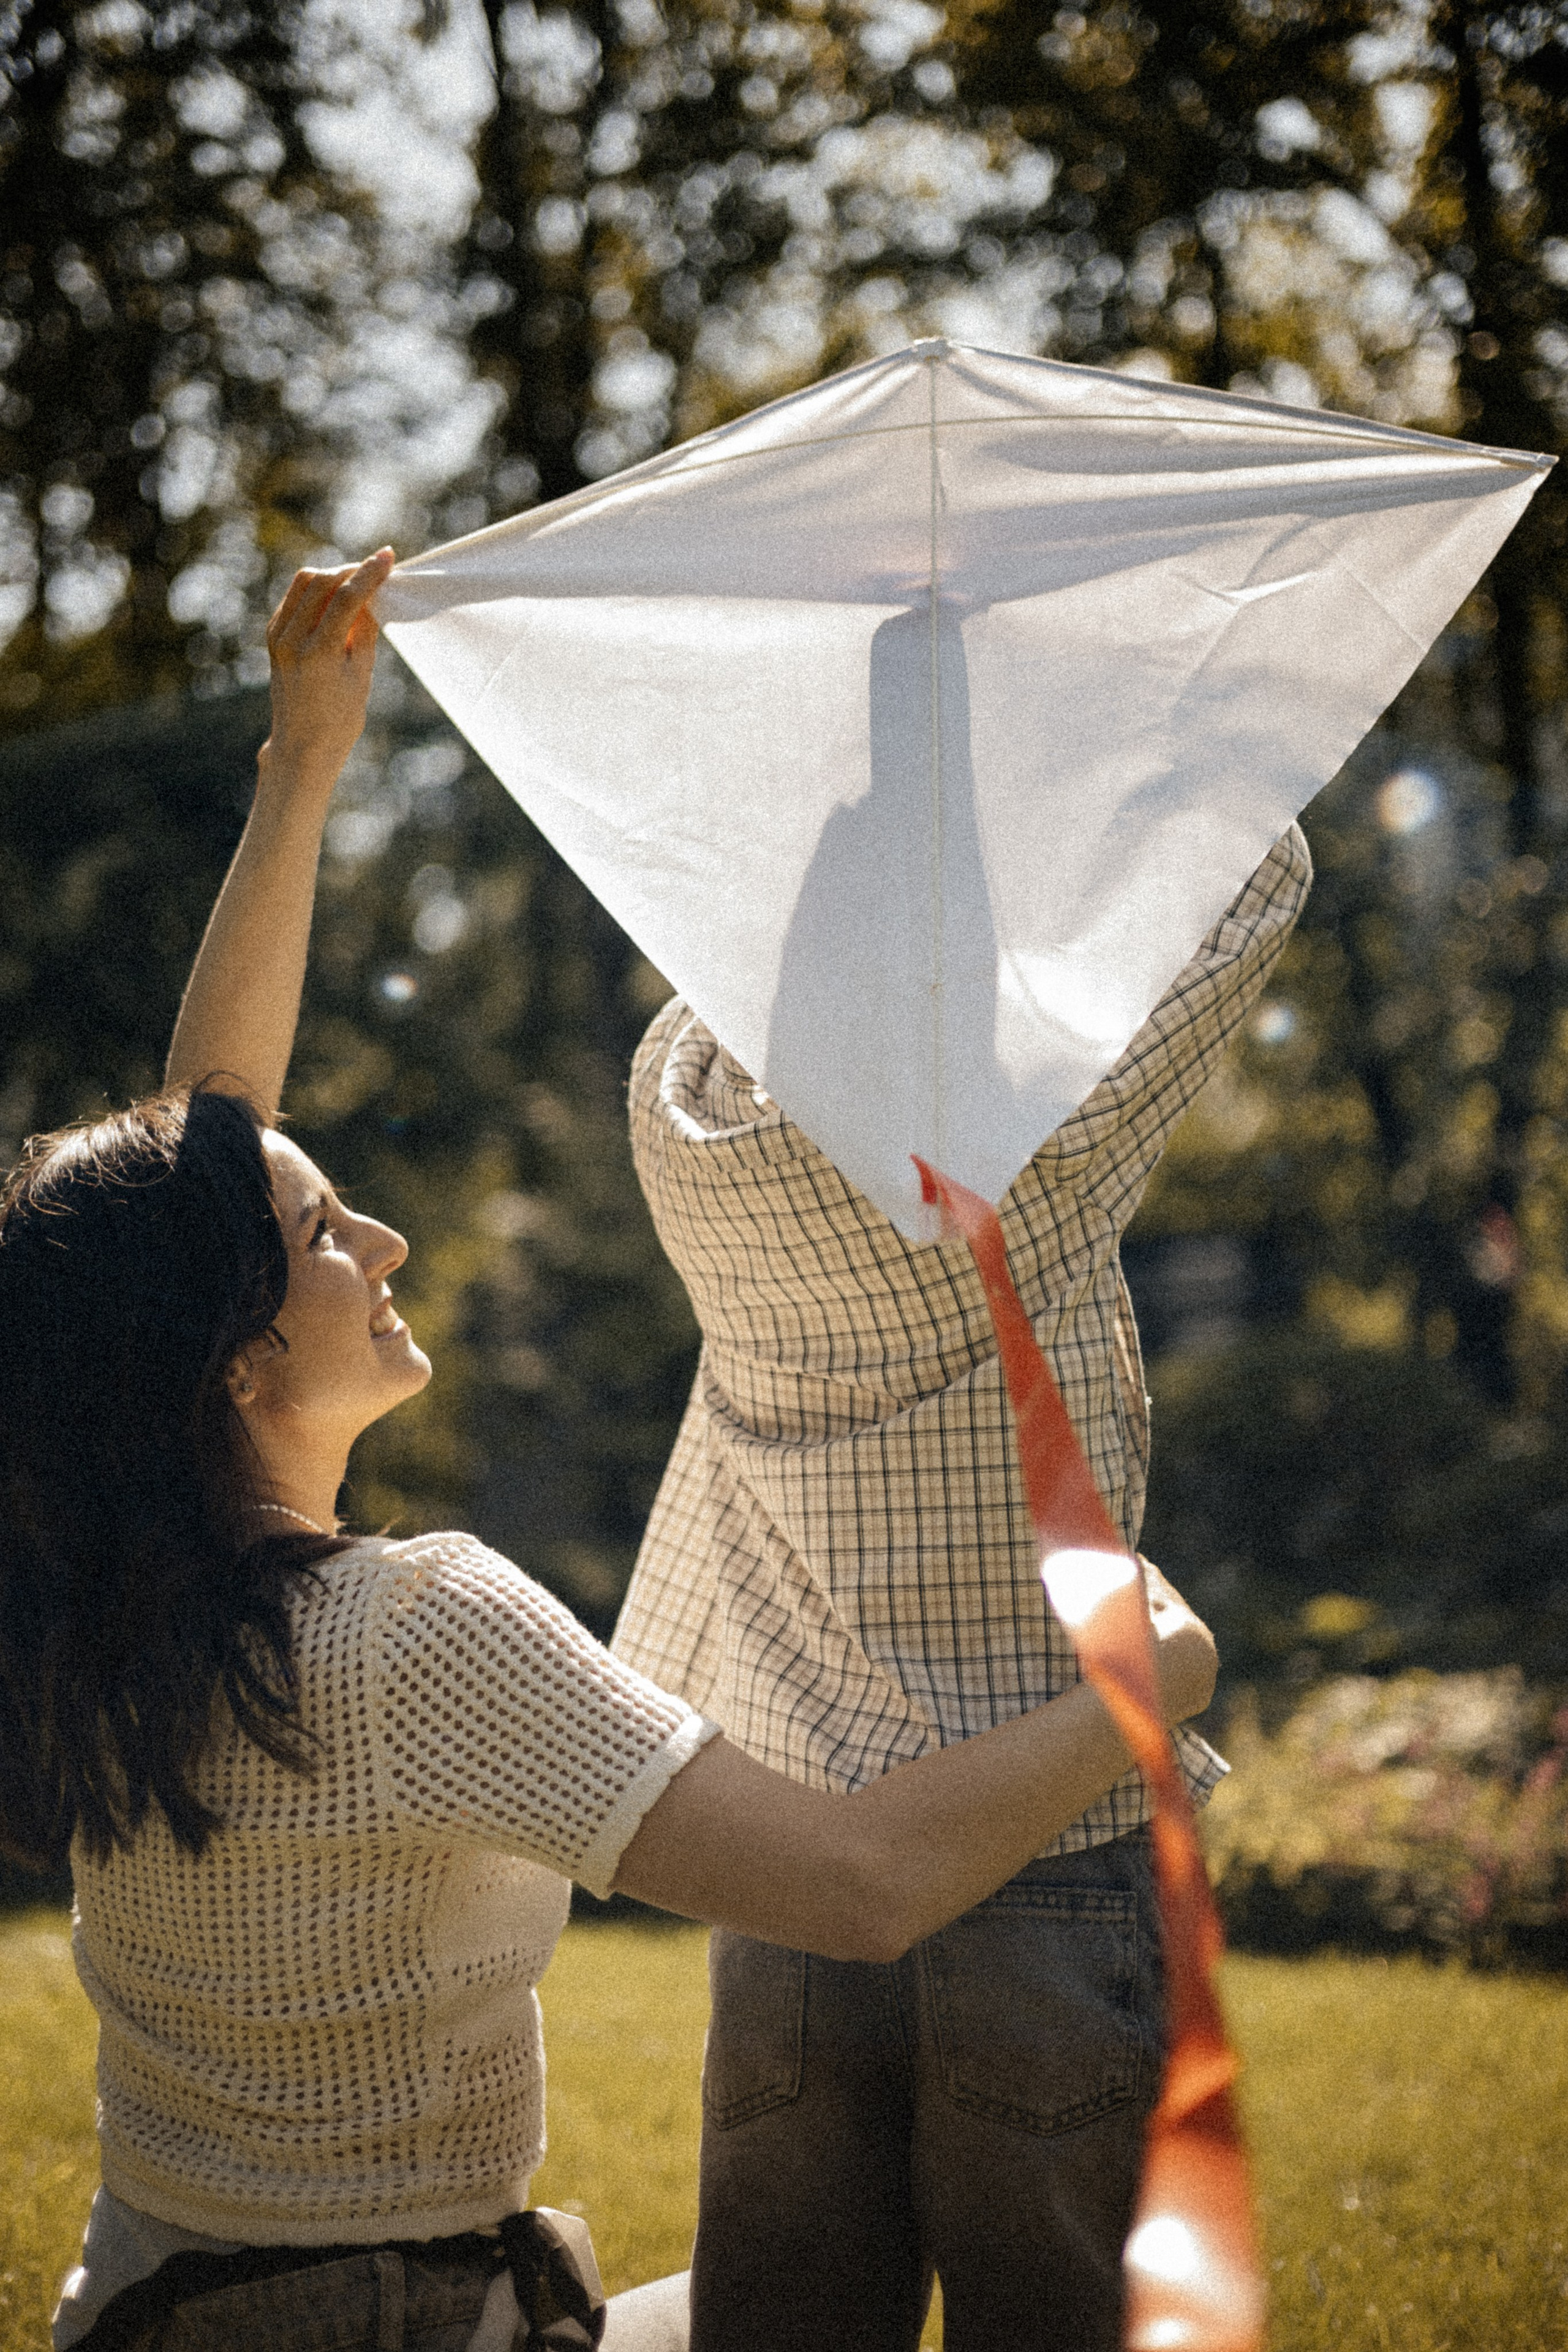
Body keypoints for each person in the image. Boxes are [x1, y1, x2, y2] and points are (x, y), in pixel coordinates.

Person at [0, 552, 1219, 2352]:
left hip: (150, 2308)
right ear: (240, 1357)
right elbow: (860, 1888)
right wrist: (1159, 1676)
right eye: (333, 1237)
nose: (387, 1244)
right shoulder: (412, 1635)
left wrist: (304, 765)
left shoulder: (102, 1613)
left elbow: (197, 1181)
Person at [612, 801, 1311, 2339]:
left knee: (785, 2320)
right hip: (1039, 1865)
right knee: (1052, 2314)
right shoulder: (1014, 1167)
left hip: (795, 1871)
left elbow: (708, 1003)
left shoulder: (681, 1128)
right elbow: (1257, 876)